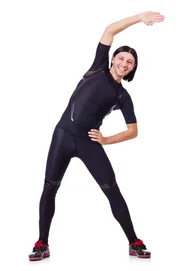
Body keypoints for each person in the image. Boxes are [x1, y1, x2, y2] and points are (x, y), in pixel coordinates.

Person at [28, 11, 165, 261]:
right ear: (112, 59)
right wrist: (140, 17)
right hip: (62, 136)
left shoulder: (123, 96)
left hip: (89, 142)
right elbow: (110, 29)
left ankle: (134, 241)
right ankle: (42, 243)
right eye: (121, 58)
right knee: (50, 188)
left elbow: (134, 131)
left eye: (130, 62)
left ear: (133, 68)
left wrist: (105, 140)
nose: (124, 63)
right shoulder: (97, 68)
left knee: (112, 189)